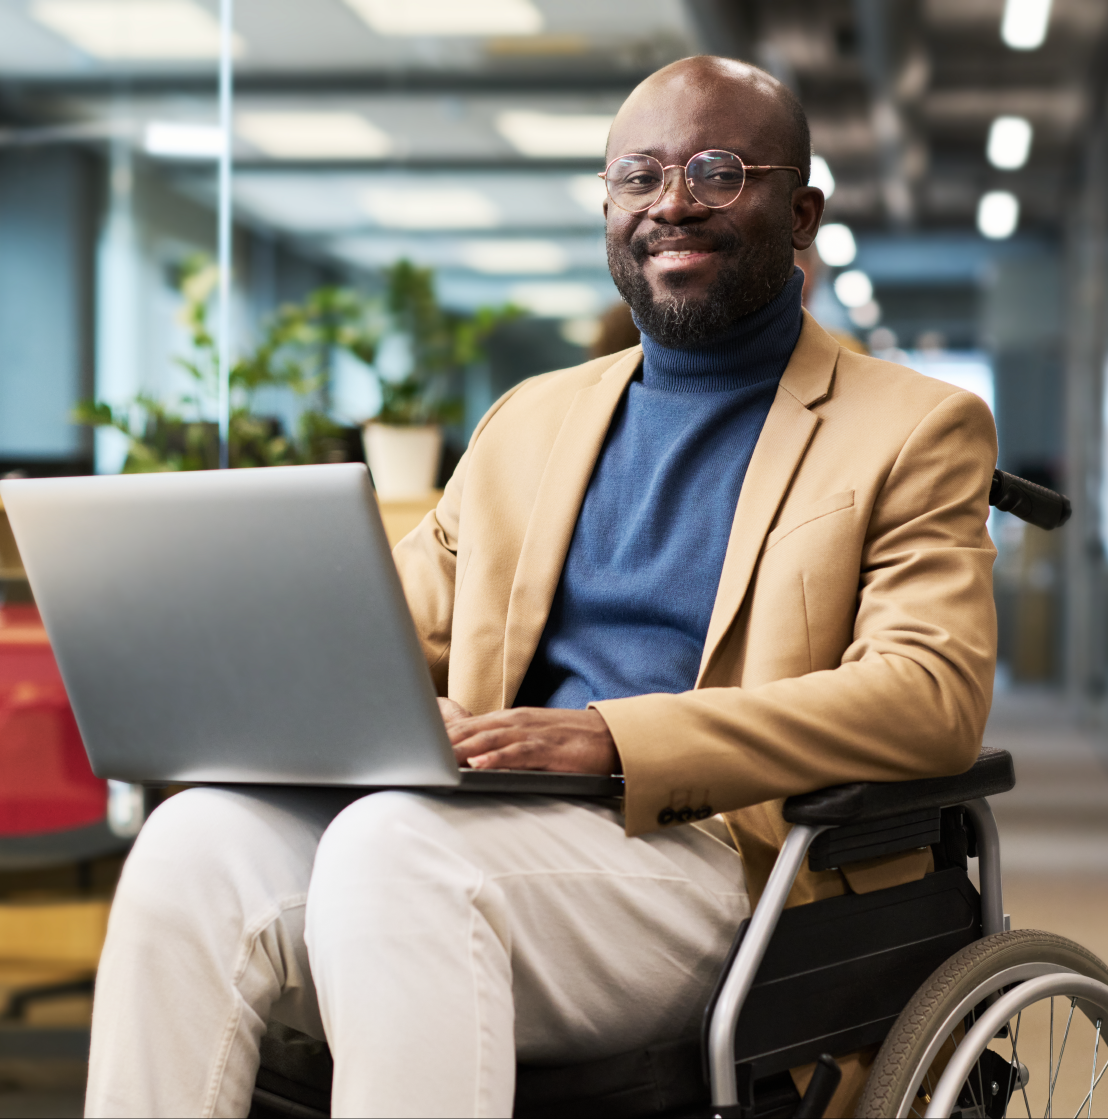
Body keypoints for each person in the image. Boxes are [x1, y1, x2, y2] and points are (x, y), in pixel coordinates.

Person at [85, 56, 997, 1119]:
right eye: (638, 176)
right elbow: (388, 629)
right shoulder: (529, 419)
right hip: (482, 823)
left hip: (721, 858)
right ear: (608, 205)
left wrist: (614, 738)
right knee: (192, 844)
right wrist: (229, 667)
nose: (670, 204)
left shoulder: (913, 426)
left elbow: (930, 694)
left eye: (716, 171)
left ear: (800, 213)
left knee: (393, 850)